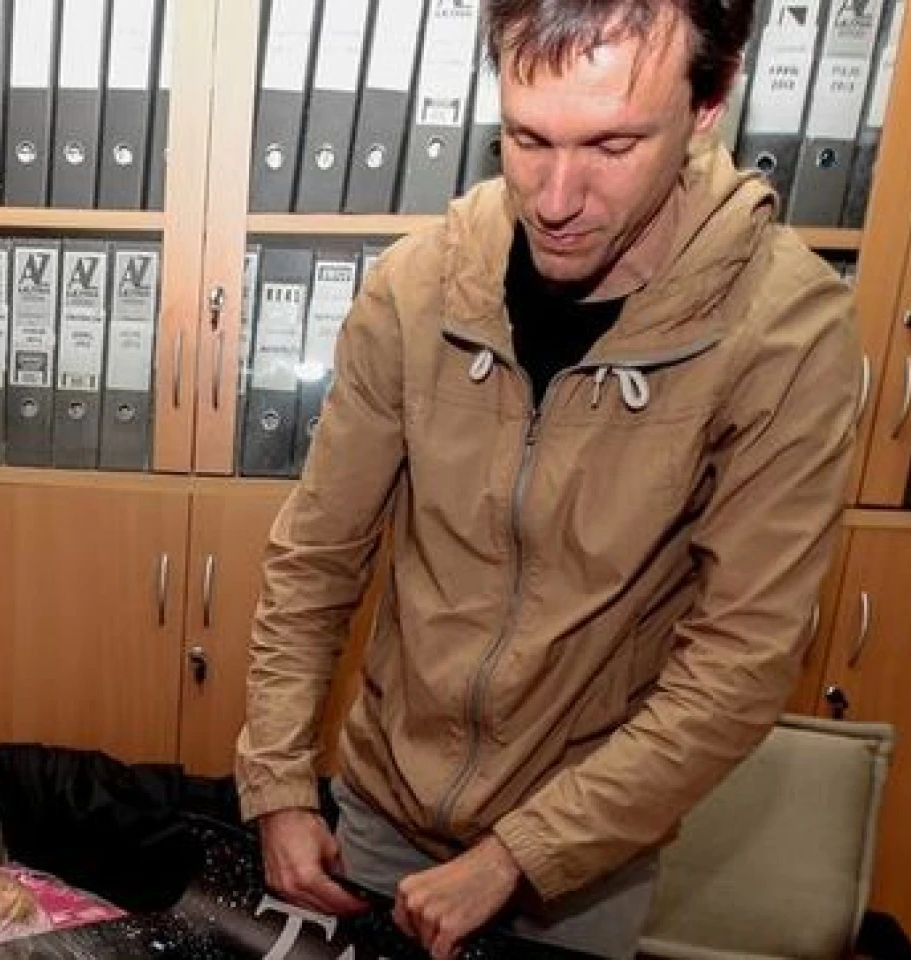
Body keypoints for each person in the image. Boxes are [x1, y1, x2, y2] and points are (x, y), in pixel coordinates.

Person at [234, 0, 863, 957]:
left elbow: (737, 666)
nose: (556, 198)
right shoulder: (416, 286)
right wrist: (279, 783)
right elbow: (317, 556)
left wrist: (519, 855)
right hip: (378, 814)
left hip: (582, 865)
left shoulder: (787, 333)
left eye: (612, 145)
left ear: (710, 103)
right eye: (527, 139)